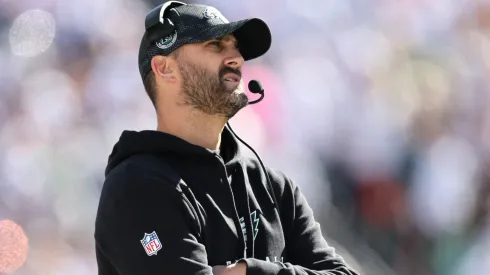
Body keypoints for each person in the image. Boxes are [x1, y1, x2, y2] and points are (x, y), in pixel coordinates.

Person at [94, 1, 360, 275]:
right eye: (216, 46)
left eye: (235, 47)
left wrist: (249, 271)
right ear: (164, 68)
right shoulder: (136, 187)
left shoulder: (274, 187)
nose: (237, 58)